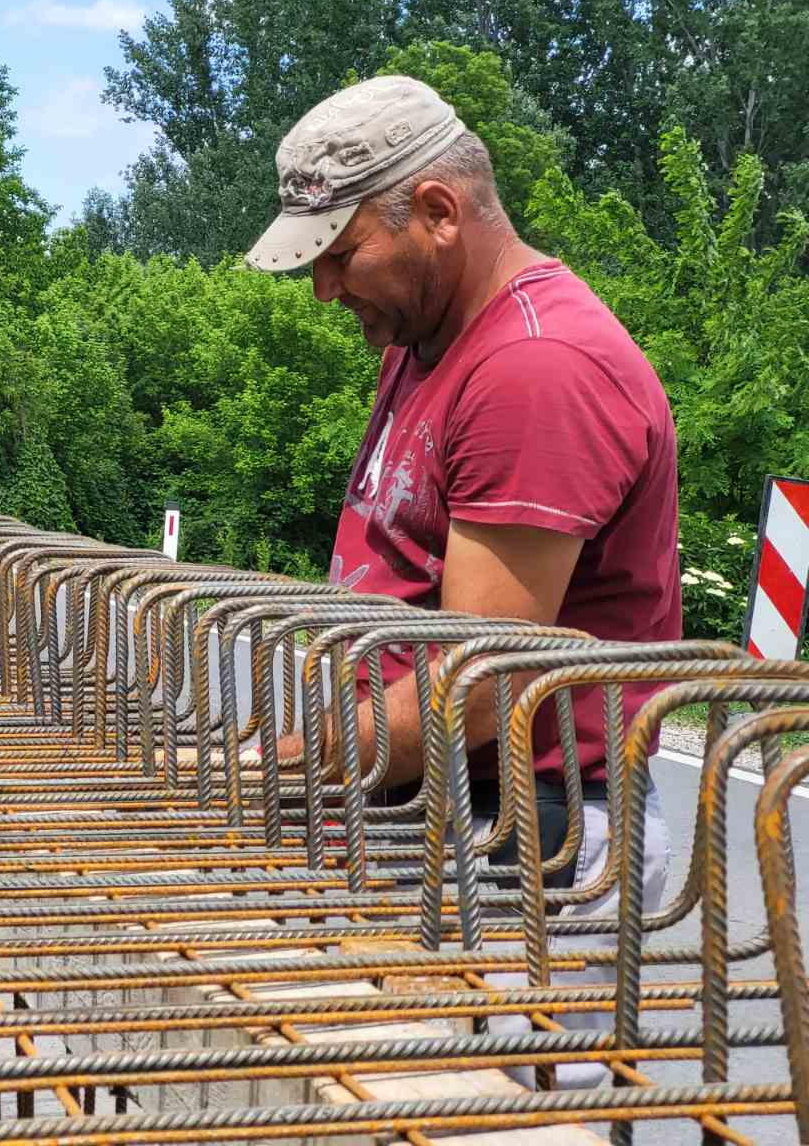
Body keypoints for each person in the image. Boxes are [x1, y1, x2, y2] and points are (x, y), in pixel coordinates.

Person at [246, 76, 679, 1088]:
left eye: (340, 255)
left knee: (469, 1115)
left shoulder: (535, 369)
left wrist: (288, 757)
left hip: (531, 839)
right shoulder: (433, 334)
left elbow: (480, 684)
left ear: (437, 213)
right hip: (440, 809)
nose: (323, 290)